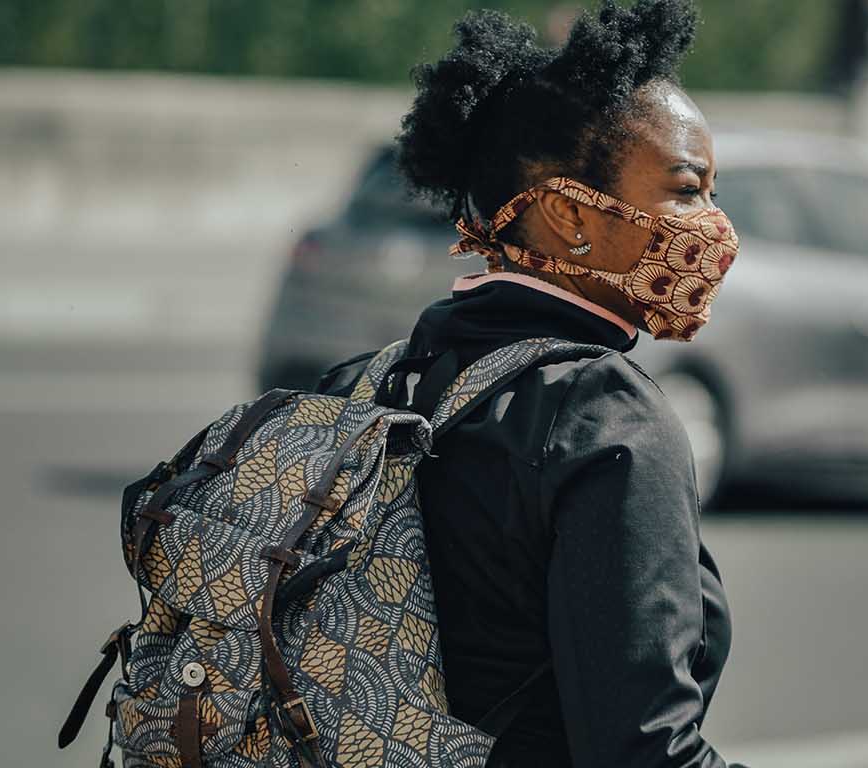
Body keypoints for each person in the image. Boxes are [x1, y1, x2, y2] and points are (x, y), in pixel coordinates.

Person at [318, 1, 742, 765]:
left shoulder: (369, 384)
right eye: (686, 190)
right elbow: (642, 752)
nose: (713, 225)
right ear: (567, 216)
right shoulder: (606, 419)